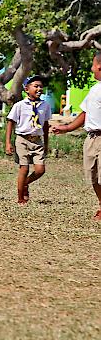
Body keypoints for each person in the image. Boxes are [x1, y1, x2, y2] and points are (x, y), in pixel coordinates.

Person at [53, 52, 101, 220]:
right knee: (93, 177)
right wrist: (67, 128)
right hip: (91, 138)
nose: (91, 68)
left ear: (99, 66)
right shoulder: (94, 89)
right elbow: (84, 113)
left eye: (93, 65)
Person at [5, 75, 51, 205]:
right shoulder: (19, 105)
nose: (39, 89)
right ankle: (21, 197)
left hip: (37, 141)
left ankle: (25, 183)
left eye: (41, 86)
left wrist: (46, 143)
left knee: (40, 170)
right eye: (36, 86)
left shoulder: (45, 105)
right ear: (27, 89)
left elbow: (46, 125)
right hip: (22, 140)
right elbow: (10, 122)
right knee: (24, 169)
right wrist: (8, 142)